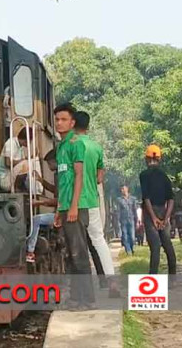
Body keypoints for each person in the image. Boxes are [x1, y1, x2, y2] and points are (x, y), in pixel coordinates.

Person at [72, 111, 118, 297]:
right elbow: (100, 177)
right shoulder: (96, 147)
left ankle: (82, 291)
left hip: (74, 203)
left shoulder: (71, 145)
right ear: (88, 126)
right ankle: (112, 281)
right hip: (91, 200)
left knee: (77, 246)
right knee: (99, 240)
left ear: (73, 124)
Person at [53, 103, 94, 308]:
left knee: (79, 253)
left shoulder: (76, 144)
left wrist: (73, 207)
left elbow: (78, 176)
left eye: (63, 120)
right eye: (57, 119)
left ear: (72, 122)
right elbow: (62, 181)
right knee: (69, 254)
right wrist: (59, 209)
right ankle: (76, 297)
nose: (59, 123)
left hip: (76, 206)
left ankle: (87, 299)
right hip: (65, 207)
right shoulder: (60, 147)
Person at [139, 145, 177, 275]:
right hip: (164, 210)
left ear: (146, 158)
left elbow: (146, 198)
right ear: (159, 159)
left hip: (151, 212)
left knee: (155, 247)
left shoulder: (144, 175)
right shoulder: (164, 176)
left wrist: (153, 217)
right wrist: (166, 218)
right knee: (167, 245)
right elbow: (171, 199)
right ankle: (173, 277)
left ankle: (153, 279)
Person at [0, 127, 42, 193]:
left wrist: (32, 158)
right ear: (26, 139)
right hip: (5, 179)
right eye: (30, 141)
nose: (30, 143)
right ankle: (17, 188)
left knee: (34, 161)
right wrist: (25, 160)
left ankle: (37, 189)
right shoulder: (11, 143)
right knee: (26, 164)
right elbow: (8, 163)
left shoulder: (20, 147)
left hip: (13, 176)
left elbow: (22, 161)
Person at [116, 185, 139, 255]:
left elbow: (135, 210)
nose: (122, 190)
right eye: (121, 189)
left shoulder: (133, 199)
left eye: (123, 188)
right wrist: (118, 221)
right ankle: (128, 251)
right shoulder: (119, 200)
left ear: (127, 189)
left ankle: (131, 249)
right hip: (123, 220)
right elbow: (118, 211)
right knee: (125, 236)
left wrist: (137, 220)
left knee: (132, 236)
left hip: (131, 220)